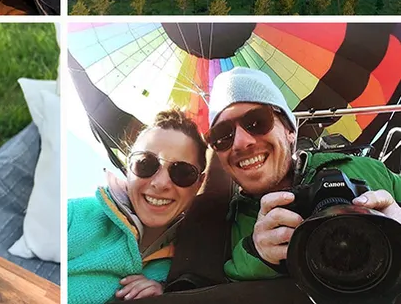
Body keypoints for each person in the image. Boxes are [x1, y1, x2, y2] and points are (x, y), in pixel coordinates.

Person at [207, 67, 401, 281]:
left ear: (290, 130)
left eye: (256, 122)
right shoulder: (219, 226)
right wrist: (256, 255)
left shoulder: (370, 170)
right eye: (222, 135)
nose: (241, 142)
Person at [68, 110, 208, 303]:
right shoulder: (73, 215)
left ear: (199, 183)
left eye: (182, 172)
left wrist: (164, 296)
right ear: (128, 167)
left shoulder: (192, 263)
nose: (160, 183)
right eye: (145, 164)